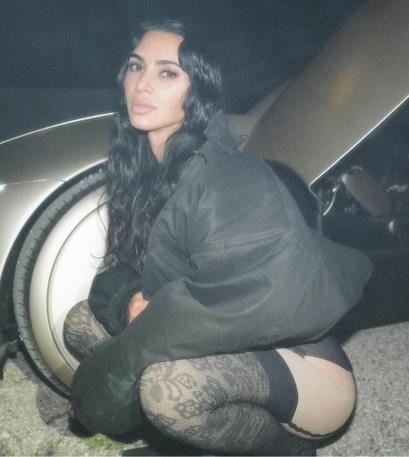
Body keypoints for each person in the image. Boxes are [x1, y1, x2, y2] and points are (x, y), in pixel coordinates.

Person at [63, 19, 372, 456]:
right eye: (136, 66)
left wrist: (99, 391)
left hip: (305, 371)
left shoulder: (229, 178)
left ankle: (282, 450)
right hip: (214, 342)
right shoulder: (144, 172)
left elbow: (256, 299)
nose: (142, 84)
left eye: (167, 72)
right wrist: (131, 298)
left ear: (199, 89)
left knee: (167, 390)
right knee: (81, 322)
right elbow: (126, 272)